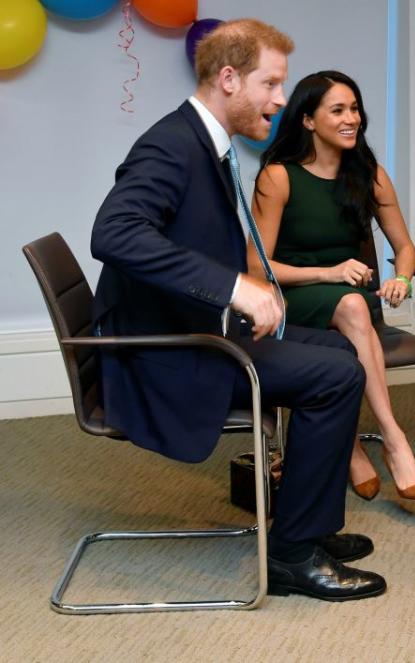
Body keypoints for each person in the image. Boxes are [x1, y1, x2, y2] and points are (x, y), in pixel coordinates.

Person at [90, 19, 386, 602]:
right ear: (228, 78)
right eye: (271, 84)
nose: (281, 99)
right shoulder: (170, 144)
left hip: (197, 332)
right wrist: (233, 287)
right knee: (337, 376)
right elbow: (114, 232)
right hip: (165, 356)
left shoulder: (204, 141)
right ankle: (292, 556)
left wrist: (252, 287)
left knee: (336, 351)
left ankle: (308, 526)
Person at [250, 71, 415, 502]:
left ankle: (350, 446)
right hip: (292, 295)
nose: (352, 119)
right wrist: (327, 273)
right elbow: (257, 266)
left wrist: (402, 279)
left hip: (349, 299)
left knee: (351, 307)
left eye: (355, 109)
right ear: (308, 120)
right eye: (338, 110)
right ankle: (392, 437)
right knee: (352, 306)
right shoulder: (279, 177)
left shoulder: (370, 175)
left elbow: (405, 247)